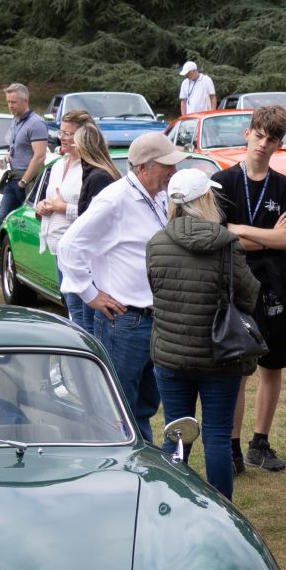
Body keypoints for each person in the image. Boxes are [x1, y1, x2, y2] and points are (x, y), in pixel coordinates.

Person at [145, 165, 260, 498]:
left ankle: (170, 503)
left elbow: (156, 289)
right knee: (217, 438)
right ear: (205, 199)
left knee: (176, 435)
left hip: (170, 355)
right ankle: (222, 512)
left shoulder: (156, 243)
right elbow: (249, 294)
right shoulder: (227, 245)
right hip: (219, 355)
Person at [62, 131, 185, 441]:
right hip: (125, 321)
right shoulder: (114, 200)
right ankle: (120, 469)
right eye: (166, 166)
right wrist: (90, 295)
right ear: (143, 168)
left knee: (144, 403)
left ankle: (141, 464)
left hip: (153, 319)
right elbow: (69, 246)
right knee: (118, 408)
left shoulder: (156, 196)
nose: (173, 172)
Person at [217, 104, 286, 475]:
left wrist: (243, 230)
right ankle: (233, 447)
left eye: (271, 139)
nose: (262, 144)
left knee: (273, 365)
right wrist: (268, 236)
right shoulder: (223, 183)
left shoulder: (285, 187)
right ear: (247, 134)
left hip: (278, 286)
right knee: (239, 367)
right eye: (258, 135)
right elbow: (221, 237)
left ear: (279, 144)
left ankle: (260, 442)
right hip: (237, 284)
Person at [42, 115, 119, 328]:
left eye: (68, 133)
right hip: (62, 248)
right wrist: (44, 206)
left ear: (83, 138)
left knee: (84, 316)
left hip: (84, 254)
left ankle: (85, 357)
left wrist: (62, 208)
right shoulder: (59, 165)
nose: (63, 138)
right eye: (61, 132)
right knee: (73, 310)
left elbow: (99, 217)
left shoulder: (97, 175)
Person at [0, 82, 53, 277]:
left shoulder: (36, 123)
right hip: (13, 178)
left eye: (14, 102)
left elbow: (39, 156)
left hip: (28, 183)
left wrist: (24, 181)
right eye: (8, 102)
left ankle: (34, 266)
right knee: (1, 220)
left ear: (25, 100)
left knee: (31, 224)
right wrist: (8, 157)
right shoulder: (15, 120)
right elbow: (18, 148)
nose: (10, 106)